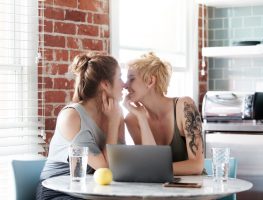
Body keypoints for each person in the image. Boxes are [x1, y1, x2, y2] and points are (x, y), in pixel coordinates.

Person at [36, 52, 125, 199]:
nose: (124, 84)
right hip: (59, 191)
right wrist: (113, 123)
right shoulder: (72, 117)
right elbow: (105, 168)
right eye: (120, 77)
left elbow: (119, 163)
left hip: (92, 191)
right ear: (105, 84)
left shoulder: (116, 113)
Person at [123, 52, 205, 176]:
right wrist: (142, 118)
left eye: (131, 78)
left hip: (194, 188)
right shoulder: (132, 119)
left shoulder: (184, 107)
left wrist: (157, 169)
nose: (125, 85)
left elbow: (197, 165)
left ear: (150, 81)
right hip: (159, 190)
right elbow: (150, 163)